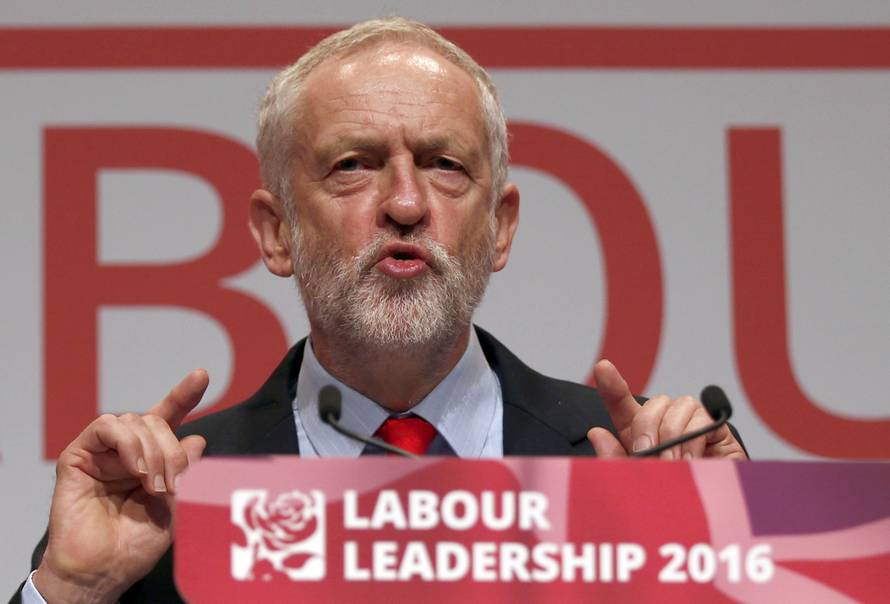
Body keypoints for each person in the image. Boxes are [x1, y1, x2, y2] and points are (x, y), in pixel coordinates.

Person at [14, 17, 747, 603]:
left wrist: (736, 560)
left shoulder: (640, 479)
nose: (405, 203)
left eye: (444, 165)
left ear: (502, 226)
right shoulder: (162, 508)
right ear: (276, 233)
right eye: (353, 166)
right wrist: (74, 592)